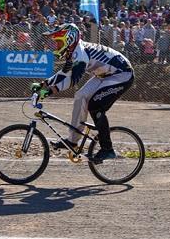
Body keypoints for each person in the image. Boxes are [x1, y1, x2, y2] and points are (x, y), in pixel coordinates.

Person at [32, 23, 134, 163]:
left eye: (58, 42)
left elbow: (72, 81)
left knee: (95, 106)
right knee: (80, 96)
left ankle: (107, 149)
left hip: (122, 74)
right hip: (105, 75)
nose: (55, 45)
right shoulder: (73, 50)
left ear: (68, 39)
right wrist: (44, 84)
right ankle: (73, 141)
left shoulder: (80, 54)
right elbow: (64, 73)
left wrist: (49, 91)